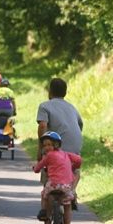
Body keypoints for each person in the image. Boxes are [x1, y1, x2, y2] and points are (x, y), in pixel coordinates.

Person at [37, 78, 83, 211]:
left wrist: (40, 149)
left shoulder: (45, 106)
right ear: (65, 93)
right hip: (75, 147)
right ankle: (72, 190)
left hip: (57, 149)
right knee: (75, 171)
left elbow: (43, 125)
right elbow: (79, 126)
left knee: (49, 179)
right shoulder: (73, 108)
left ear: (49, 92)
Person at [33, 131, 82, 224]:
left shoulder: (49, 156)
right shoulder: (67, 154)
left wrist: (35, 169)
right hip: (66, 187)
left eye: (49, 145)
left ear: (56, 144)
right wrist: (73, 167)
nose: (46, 147)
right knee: (67, 205)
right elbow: (79, 159)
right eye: (44, 145)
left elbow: (39, 166)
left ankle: (44, 212)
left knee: (44, 195)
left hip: (53, 185)